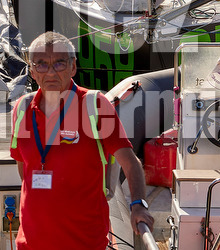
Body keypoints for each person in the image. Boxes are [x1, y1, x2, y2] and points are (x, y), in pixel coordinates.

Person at [10, 33, 153, 249]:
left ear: (73, 67)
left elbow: (131, 163)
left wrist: (139, 205)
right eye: (41, 64)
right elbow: (25, 170)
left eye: (59, 63)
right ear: (31, 70)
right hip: (30, 243)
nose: (50, 72)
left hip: (85, 243)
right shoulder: (22, 108)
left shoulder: (95, 105)